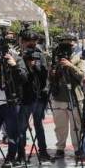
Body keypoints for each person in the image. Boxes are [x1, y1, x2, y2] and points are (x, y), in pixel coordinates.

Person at [49, 35, 85, 160]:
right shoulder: (56, 58)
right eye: (65, 43)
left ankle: (77, 148)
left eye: (70, 43)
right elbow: (50, 78)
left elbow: (81, 76)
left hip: (74, 96)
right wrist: (53, 72)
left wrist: (70, 65)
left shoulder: (79, 58)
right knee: (60, 126)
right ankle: (60, 148)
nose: (68, 46)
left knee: (76, 125)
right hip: (59, 96)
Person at [18, 30, 51, 161]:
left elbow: (45, 75)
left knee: (38, 125)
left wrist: (34, 67)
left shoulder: (40, 55)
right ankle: (21, 153)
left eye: (33, 41)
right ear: (22, 42)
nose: (30, 43)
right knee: (22, 126)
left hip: (39, 96)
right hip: (25, 96)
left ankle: (43, 151)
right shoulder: (19, 56)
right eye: (27, 41)